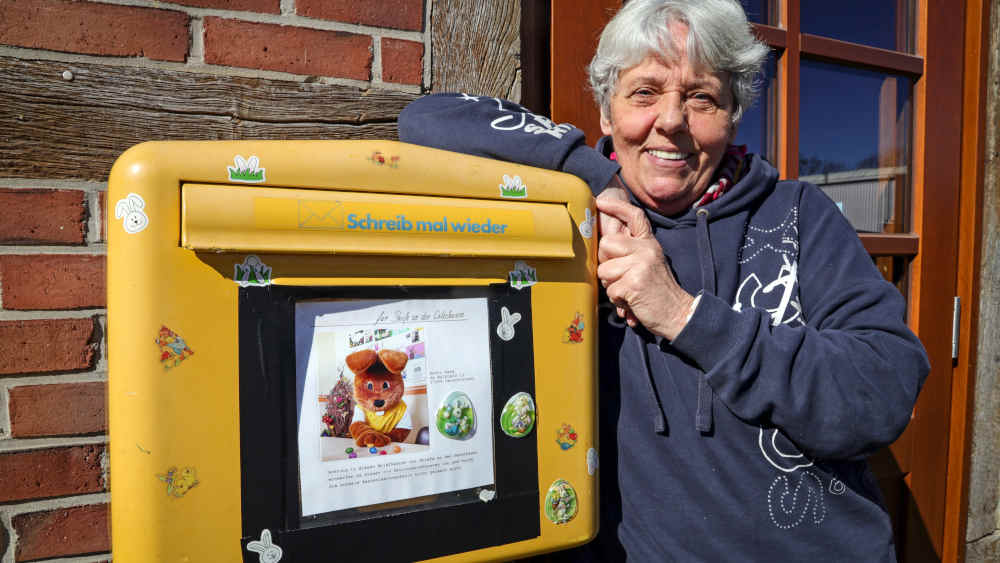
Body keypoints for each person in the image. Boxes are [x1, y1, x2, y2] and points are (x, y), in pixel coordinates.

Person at [399, 0, 930, 559]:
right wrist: (597, 179)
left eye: (702, 97)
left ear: (732, 115)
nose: (672, 120)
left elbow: (883, 394)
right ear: (606, 112)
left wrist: (683, 315)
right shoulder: (572, 218)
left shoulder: (798, 216)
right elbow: (428, 118)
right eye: (644, 92)